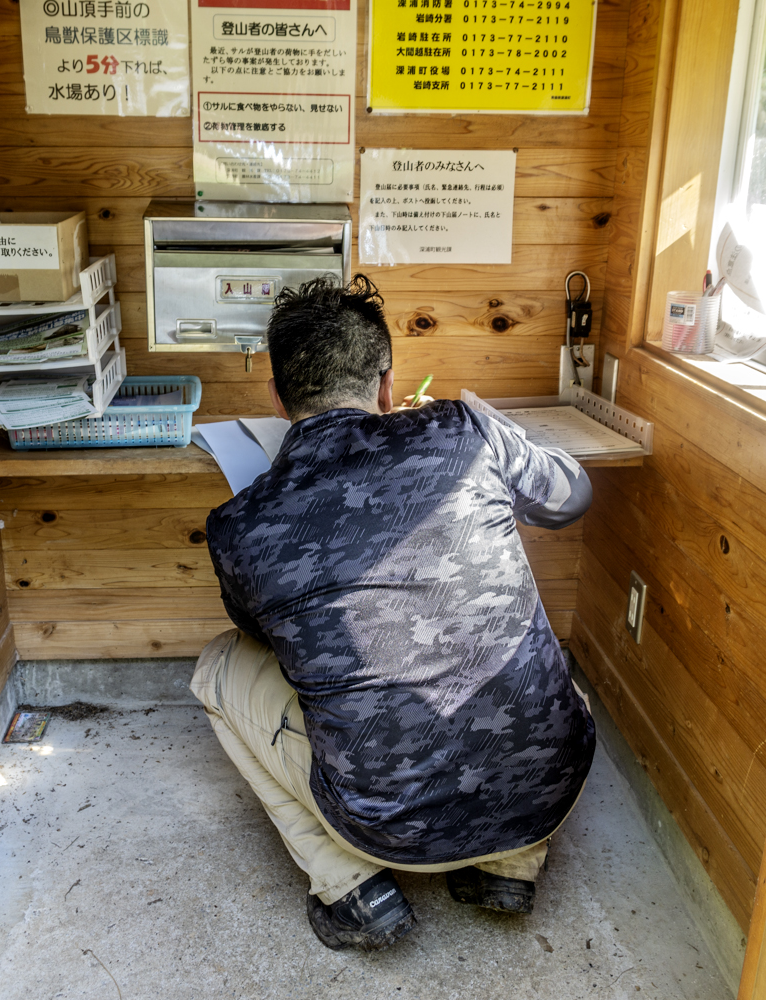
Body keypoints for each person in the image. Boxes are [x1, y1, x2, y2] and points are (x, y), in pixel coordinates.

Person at [192, 275, 598, 952]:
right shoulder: (467, 430)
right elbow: (573, 496)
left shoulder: (239, 524)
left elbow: (258, 633)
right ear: (387, 386)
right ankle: (510, 864)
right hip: (548, 794)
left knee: (216, 671)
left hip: (387, 828)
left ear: (276, 399)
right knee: (541, 665)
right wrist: (488, 427)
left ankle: (352, 888)